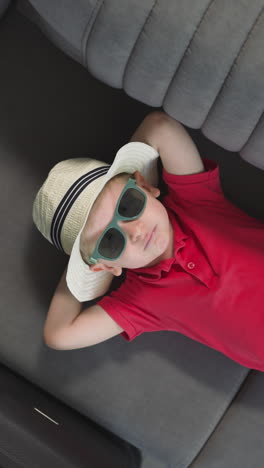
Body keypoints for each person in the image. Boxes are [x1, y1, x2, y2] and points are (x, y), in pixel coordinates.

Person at [33, 111, 264, 371]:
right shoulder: (140, 300)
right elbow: (59, 335)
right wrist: (85, 263)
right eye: (110, 240)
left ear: (143, 185)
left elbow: (159, 126)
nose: (136, 231)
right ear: (107, 267)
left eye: (129, 205)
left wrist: (98, 252)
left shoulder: (195, 201)